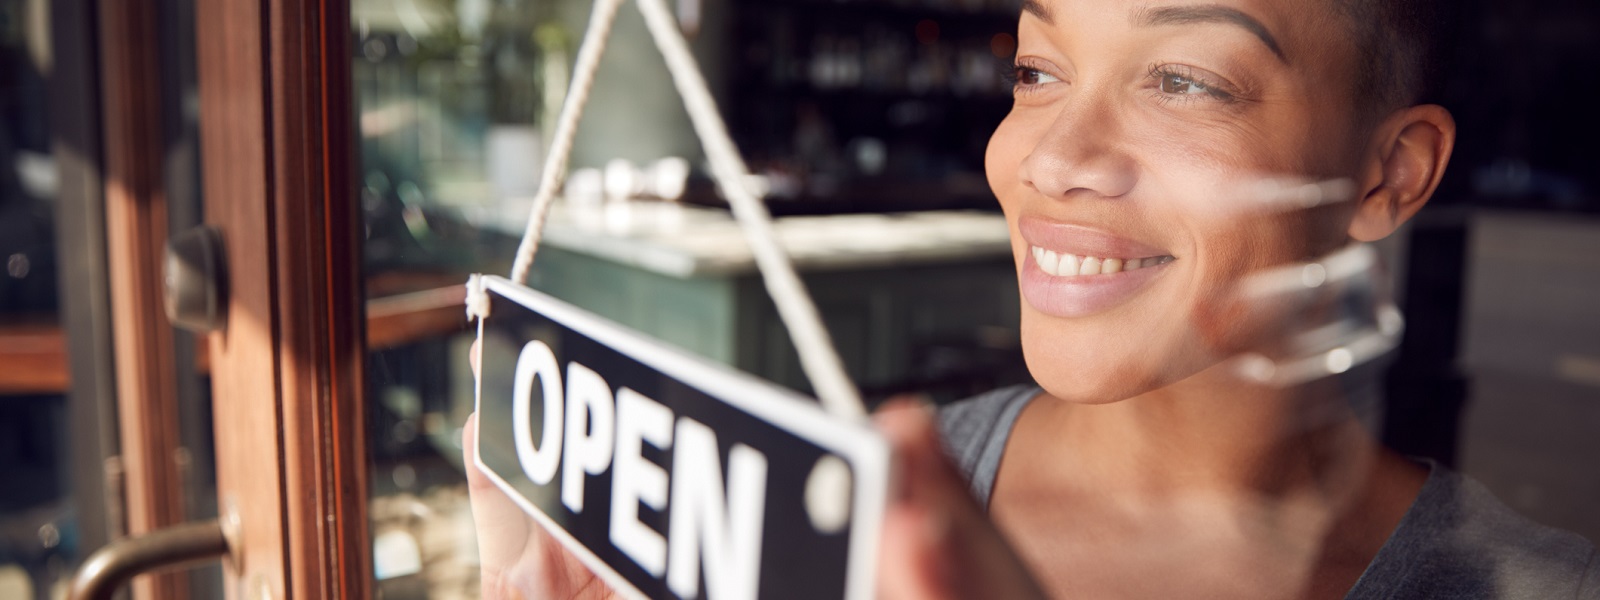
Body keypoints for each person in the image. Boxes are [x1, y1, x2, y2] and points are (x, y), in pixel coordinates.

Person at [464, 0, 1600, 598]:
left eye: (1184, 81)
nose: (1050, 158)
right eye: (1037, 70)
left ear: (1387, 173)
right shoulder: (831, 507)